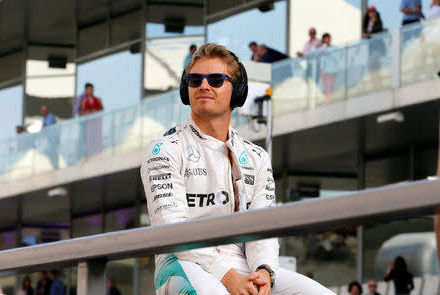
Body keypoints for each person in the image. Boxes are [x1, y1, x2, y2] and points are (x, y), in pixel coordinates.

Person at [140, 43, 335, 295]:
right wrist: (227, 276)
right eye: (195, 80)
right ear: (184, 88)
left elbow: (263, 229)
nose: (204, 86)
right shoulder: (164, 149)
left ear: (238, 91)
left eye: (216, 80)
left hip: (242, 264)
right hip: (182, 261)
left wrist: (264, 271)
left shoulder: (256, 156)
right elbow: (172, 228)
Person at [362, 5, 386, 90]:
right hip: (372, 47)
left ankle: (377, 84)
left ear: (375, 13)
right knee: (373, 65)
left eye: (372, 11)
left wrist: (367, 35)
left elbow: (377, 32)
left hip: (378, 46)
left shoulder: (378, 21)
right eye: (369, 12)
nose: (371, 13)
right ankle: (375, 84)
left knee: (371, 62)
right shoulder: (368, 23)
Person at [318, 33, 337, 104]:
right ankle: (327, 101)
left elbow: (334, 57)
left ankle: (329, 101)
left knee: (330, 86)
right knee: (325, 87)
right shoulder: (322, 48)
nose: (327, 40)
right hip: (324, 70)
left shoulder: (334, 48)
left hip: (331, 69)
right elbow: (313, 50)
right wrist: (321, 44)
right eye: (325, 39)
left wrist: (326, 52)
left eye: (328, 38)